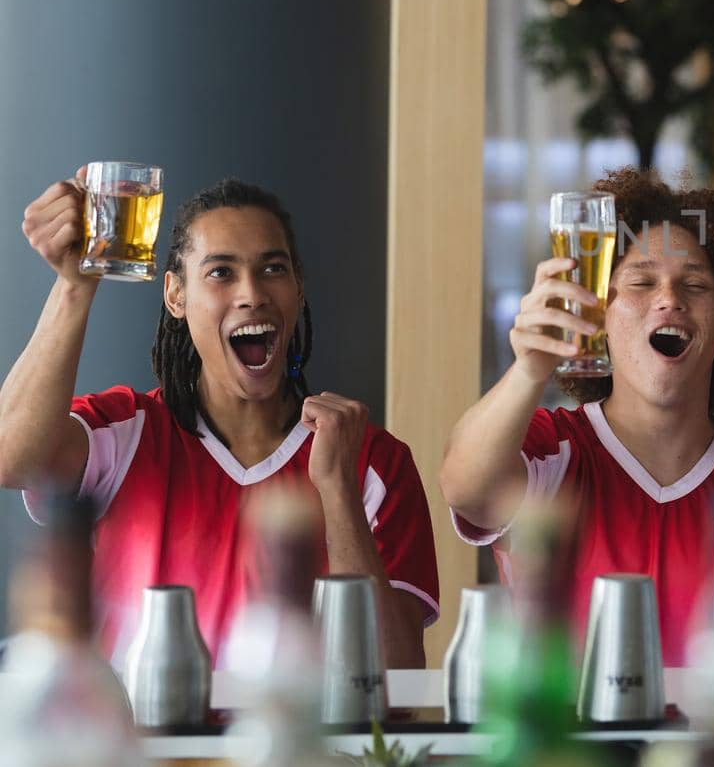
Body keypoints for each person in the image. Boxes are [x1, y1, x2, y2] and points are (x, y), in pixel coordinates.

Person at [0, 175, 438, 668]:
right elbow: (11, 459)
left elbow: (397, 673)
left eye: (272, 268)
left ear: (297, 289)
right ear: (176, 297)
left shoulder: (374, 460)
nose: (252, 293)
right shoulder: (121, 432)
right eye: (221, 272)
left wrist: (337, 490)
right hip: (135, 745)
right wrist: (74, 285)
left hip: (302, 745)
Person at [440, 168, 714, 666]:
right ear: (597, 311)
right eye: (641, 282)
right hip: (566, 740)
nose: (669, 300)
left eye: (694, 285)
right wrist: (530, 367)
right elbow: (464, 488)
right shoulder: (549, 451)